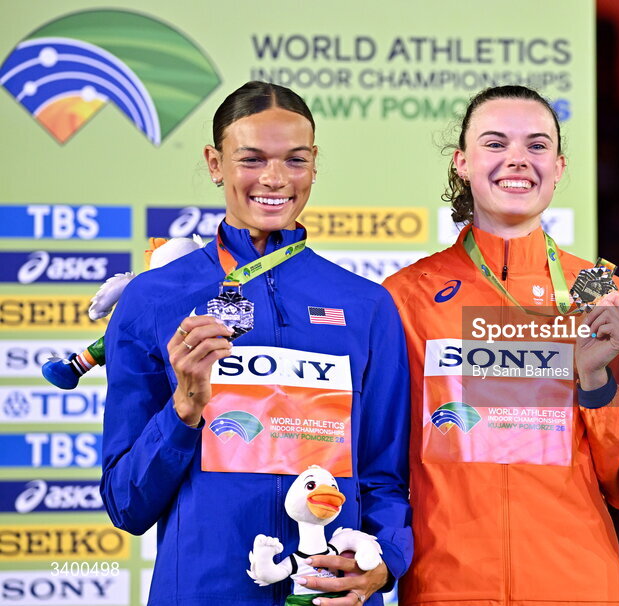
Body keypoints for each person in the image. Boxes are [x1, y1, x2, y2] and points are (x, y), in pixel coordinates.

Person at [101, 81, 412, 606]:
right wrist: (184, 409)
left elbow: (385, 477)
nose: (274, 179)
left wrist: (384, 564)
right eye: (251, 159)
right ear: (215, 163)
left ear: (314, 163)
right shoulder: (153, 298)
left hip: (325, 596)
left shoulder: (366, 306)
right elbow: (126, 505)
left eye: (294, 160)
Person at [380, 85, 619, 605]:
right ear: (462, 162)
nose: (517, 159)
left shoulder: (604, 294)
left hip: (576, 583)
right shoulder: (407, 297)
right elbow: (384, 466)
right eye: (495, 143)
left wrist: (594, 382)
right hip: (446, 586)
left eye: (537, 145)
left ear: (560, 166)